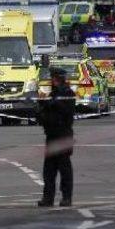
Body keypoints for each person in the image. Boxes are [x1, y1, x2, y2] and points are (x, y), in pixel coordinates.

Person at [37, 67, 75, 207]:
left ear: (57, 78)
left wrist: (48, 103)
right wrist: (41, 105)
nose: (51, 80)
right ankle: (48, 198)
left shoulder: (67, 94)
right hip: (51, 135)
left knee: (64, 169)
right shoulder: (53, 94)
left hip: (63, 135)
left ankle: (66, 197)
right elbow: (44, 113)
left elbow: (66, 111)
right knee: (49, 170)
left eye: (53, 77)